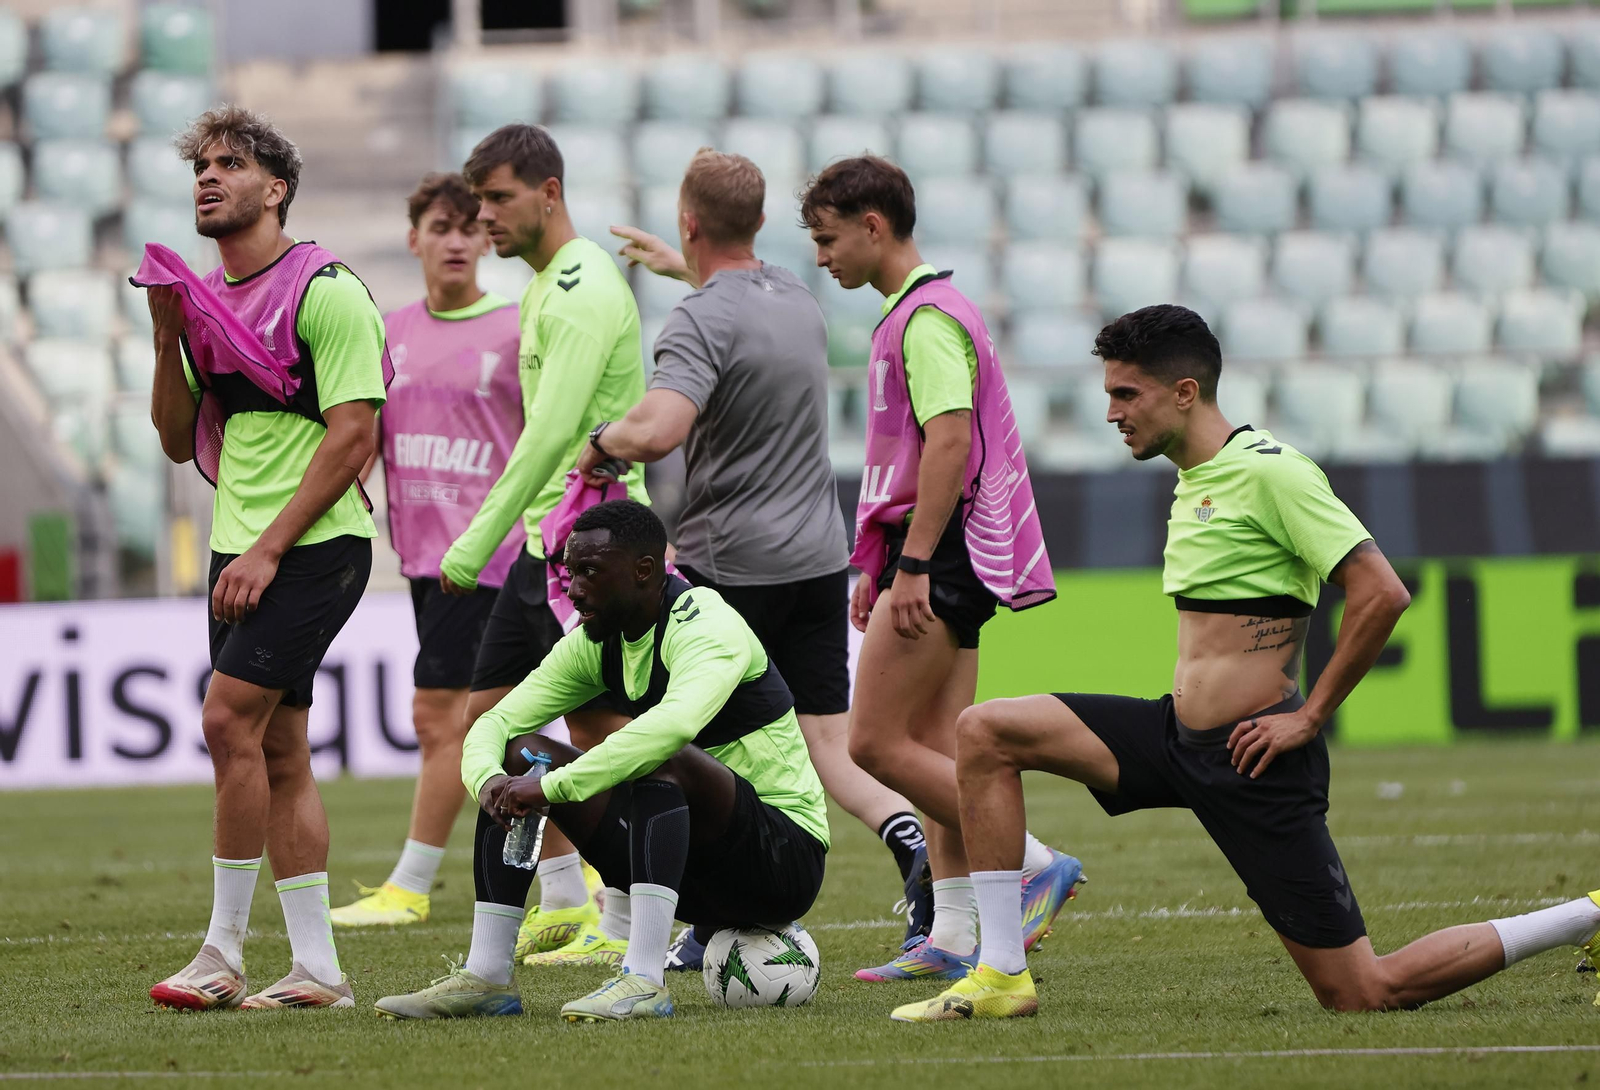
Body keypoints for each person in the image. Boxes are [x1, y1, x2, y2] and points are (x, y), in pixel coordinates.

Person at [893, 304, 1600, 1022]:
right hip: (1175, 739)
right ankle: (1001, 974)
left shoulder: (1273, 474)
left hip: (1250, 759)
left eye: (1125, 394)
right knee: (985, 732)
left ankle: (1589, 913)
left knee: (1362, 992)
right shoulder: (1194, 477)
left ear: (1186, 392)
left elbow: (1381, 593)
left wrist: (1311, 716)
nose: (1111, 413)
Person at [580, 148, 933, 968]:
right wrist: (687, 269)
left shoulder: (701, 317)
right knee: (825, 745)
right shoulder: (797, 297)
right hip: (815, 556)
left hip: (727, 568)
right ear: (763, 224)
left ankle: (694, 921)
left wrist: (601, 441)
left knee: (678, 746)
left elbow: (661, 428)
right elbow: (736, 302)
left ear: (688, 221)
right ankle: (908, 835)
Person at [374, 500, 829, 1022]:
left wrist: (550, 789)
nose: (572, 588)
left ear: (644, 571)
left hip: (780, 863)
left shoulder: (704, 622)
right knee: (523, 755)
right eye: (569, 572)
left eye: (590, 571)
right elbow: (494, 725)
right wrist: (489, 782)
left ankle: (642, 980)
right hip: (691, 879)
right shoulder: (595, 641)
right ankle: (487, 976)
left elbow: (672, 728)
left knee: (661, 756)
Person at [798, 155, 1082, 986]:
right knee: (933, 745)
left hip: (943, 554)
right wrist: (879, 560)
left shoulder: (925, 320)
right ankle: (957, 932)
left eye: (827, 237)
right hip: (937, 554)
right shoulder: (923, 311)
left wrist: (911, 564)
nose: (822, 257)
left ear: (872, 225)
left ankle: (1033, 861)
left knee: (874, 742)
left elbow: (950, 441)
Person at [141, 106, 389, 1010]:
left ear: (275, 188)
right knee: (280, 748)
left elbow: (354, 435)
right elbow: (175, 441)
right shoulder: (202, 305)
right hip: (235, 545)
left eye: (231, 164)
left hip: (313, 547)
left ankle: (221, 952)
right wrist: (167, 335)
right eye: (201, 166)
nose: (209, 178)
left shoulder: (326, 289)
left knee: (224, 722)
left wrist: (269, 550)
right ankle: (318, 970)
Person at [438, 123, 651, 967]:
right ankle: (563, 895)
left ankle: (625, 922)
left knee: (603, 737)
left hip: (592, 552)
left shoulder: (579, 288)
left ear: (549, 192)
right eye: (478, 198)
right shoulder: (544, 286)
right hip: (546, 548)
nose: (481, 215)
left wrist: (474, 540)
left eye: (497, 197)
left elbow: (554, 431)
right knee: (489, 723)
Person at [328, 173, 524, 928]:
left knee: (444, 720)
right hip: (424, 560)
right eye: (440, 227)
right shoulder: (392, 332)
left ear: (486, 241)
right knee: (515, 732)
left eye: (470, 229)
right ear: (414, 238)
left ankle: (410, 886)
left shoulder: (513, 329)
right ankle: (579, 896)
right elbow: (366, 439)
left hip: (490, 559)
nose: (455, 241)